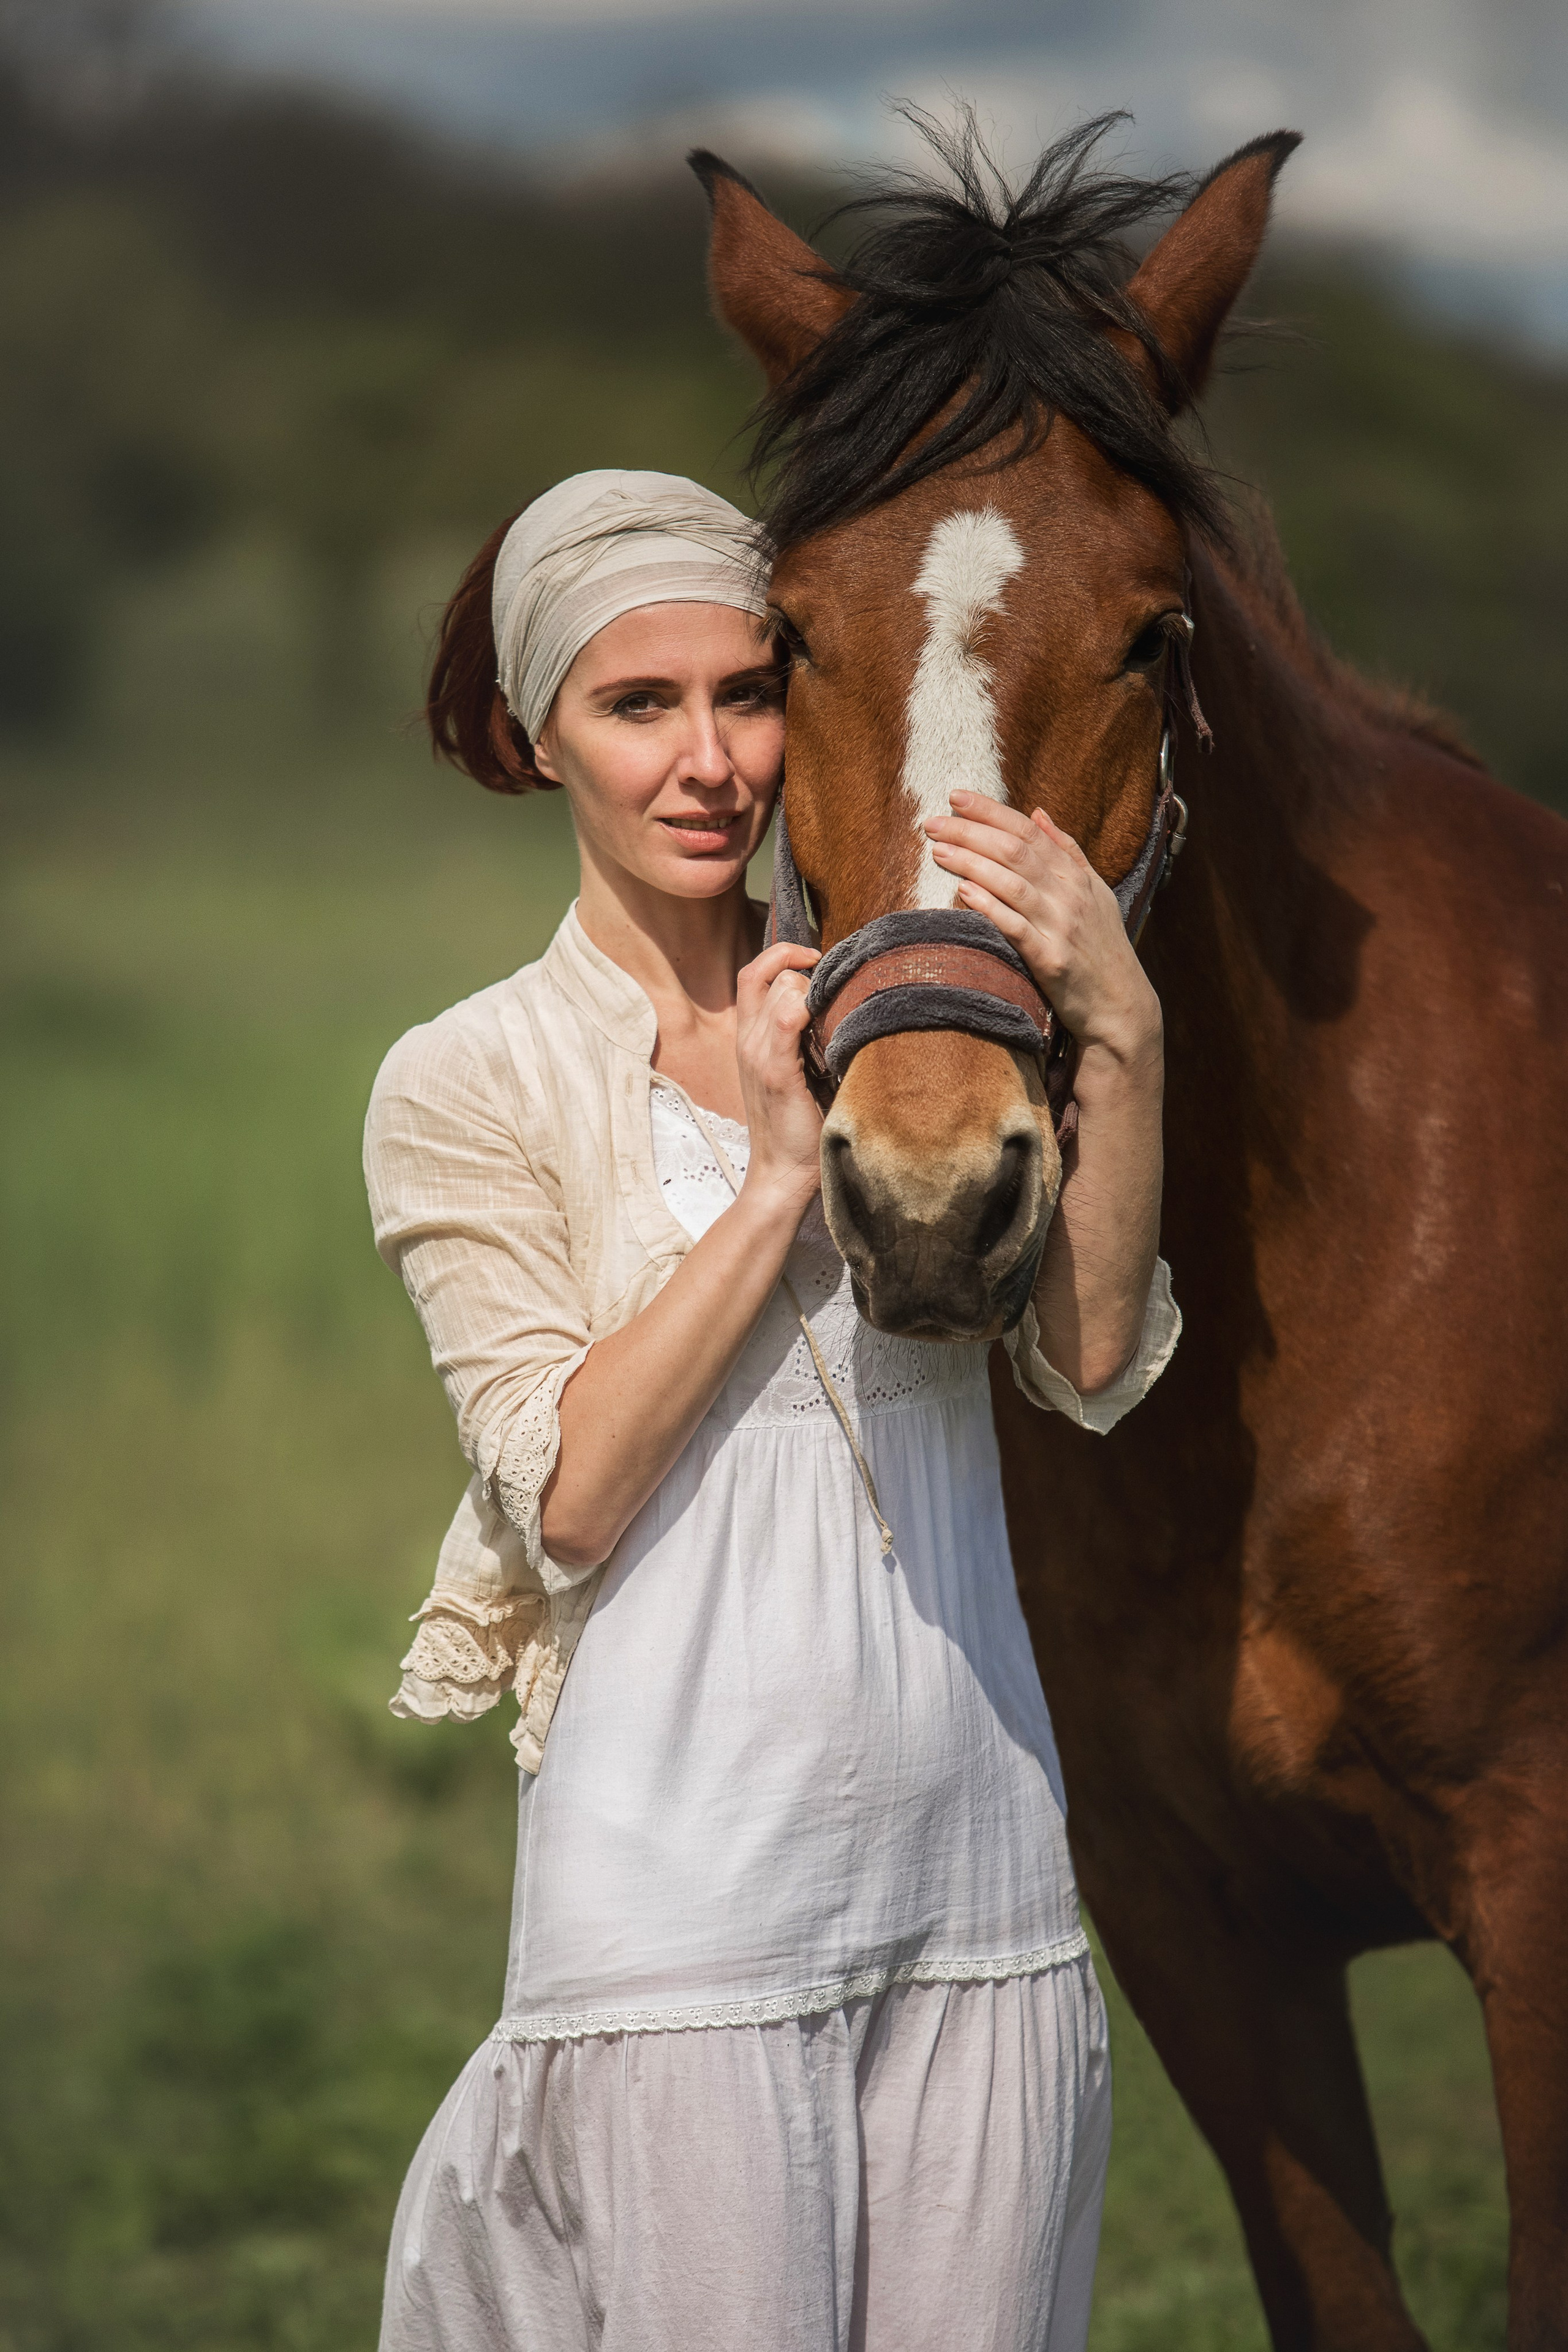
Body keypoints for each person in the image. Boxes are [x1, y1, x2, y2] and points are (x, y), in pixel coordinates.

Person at [365, 468, 1180, 2352]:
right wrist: (758, 1182)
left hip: (984, 1876)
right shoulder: (468, 1077)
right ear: (533, 735)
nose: (712, 761)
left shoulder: (917, 1032)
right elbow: (564, 1494)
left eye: (748, 693)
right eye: (637, 708)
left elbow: (1086, 1364)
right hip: (679, 1920)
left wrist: (1122, 1029)